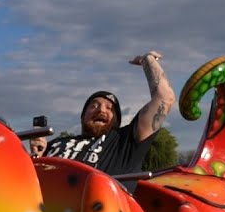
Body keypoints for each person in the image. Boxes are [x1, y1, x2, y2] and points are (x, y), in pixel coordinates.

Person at [41, 51, 176, 178]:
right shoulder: (56, 143)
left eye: (110, 108)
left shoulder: (124, 142)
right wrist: (38, 154)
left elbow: (164, 98)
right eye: (94, 105)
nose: (101, 110)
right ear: (83, 116)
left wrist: (147, 59)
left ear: (117, 121)